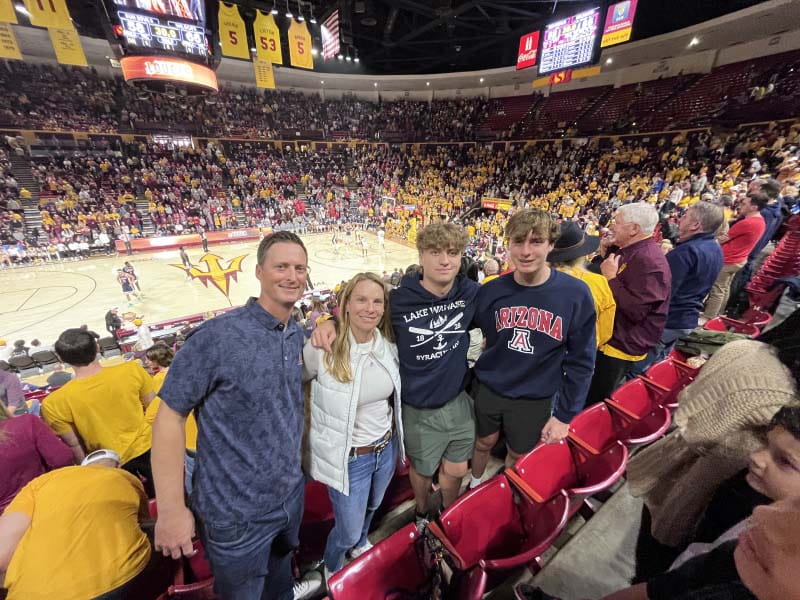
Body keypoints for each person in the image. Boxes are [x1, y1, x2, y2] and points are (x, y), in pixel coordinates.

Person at [152, 231, 308, 600]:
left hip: (288, 498)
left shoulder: (295, 333)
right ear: (258, 272)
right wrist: (172, 510)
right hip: (235, 514)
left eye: (299, 268)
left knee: (279, 589)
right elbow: (169, 417)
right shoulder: (216, 338)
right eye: (281, 266)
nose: (292, 276)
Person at [313, 223, 479, 528]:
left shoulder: (471, 293)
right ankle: (421, 510)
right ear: (421, 256)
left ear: (461, 258)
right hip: (417, 408)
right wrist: (330, 321)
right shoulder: (398, 300)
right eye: (435, 252)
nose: (445, 260)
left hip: (457, 400)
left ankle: (448, 515)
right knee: (423, 471)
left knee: (456, 470)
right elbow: (364, 313)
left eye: (453, 253)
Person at [627, 313, 800, 580]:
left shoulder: (748, 353)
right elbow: (697, 430)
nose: (759, 458)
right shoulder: (775, 390)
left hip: (690, 495)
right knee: (660, 576)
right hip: (692, 498)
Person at [469, 210, 597, 486]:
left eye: (536, 241)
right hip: (489, 387)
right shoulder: (491, 290)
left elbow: (582, 361)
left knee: (518, 454)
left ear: (551, 245)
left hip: (534, 396)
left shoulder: (576, 294)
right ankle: (474, 484)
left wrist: (565, 415)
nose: (526, 251)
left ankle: (504, 494)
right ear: (508, 244)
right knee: (482, 442)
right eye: (518, 241)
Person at [304, 272, 403, 579]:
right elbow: (294, 386)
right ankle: (332, 569)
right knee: (345, 532)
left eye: (377, 301)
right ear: (345, 304)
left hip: (385, 449)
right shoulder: (321, 348)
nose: (369, 308)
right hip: (349, 458)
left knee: (373, 507)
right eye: (361, 299)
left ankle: (361, 543)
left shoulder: (388, 345)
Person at [0, 448, 152, 600]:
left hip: (30, 594)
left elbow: (2, 554)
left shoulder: (38, 484)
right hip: (117, 579)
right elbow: (145, 521)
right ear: (119, 466)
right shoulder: (125, 478)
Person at [41, 328, 156, 491]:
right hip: (150, 447)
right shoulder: (132, 371)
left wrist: (92, 471)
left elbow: (74, 445)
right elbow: (154, 410)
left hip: (107, 462)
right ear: (97, 347)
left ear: (60, 358)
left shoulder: (53, 402)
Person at [585, 203, 671, 406]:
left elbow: (635, 311)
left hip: (621, 344)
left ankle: (583, 431)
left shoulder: (651, 263)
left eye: (618, 221)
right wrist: (605, 256)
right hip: (612, 335)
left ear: (634, 229)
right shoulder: (630, 249)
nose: (612, 226)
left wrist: (611, 278)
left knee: (596, 397)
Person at [631, 201, 724, 375]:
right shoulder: (715, 248)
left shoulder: (685, 253)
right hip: (685, 318)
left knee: (635, 368)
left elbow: (661, 293)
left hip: (668, 320)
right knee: (654, 366)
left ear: (695, 225)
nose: (681, 219)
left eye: (686, 216)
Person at [547, 220, 616, 348]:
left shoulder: (536, 279)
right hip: (580, 354)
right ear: (583, 253)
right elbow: (605, 331)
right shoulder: (598, 283)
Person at [702, 193, 768, 321]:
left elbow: (724, 238)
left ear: (753, 207)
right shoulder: (761, 221)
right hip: (739, 260)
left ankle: (708, 317)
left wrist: (705, 243)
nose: (740, 206)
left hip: (728, 260)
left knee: (717, 289)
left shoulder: (748, 222)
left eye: (744, 204)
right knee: (724, 287)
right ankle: (717, 313)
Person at [143, 343, 198, 495]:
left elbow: (151, 415)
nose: (146, 362)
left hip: (188, 440)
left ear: (157, 359)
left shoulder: (158, 379)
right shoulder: (187, 372)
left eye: (148, 359)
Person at [0, 402, 73, 511]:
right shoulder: (27, 423)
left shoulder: (26, 423)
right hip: (44, 502)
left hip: (7, 520)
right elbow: (62, 459)